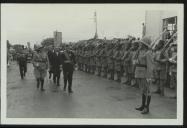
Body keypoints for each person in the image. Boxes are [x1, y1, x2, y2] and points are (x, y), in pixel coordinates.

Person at [135, 37, 154, 114]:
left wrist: (149, 76)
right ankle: (142, 106)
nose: (140, 44)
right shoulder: (140, 51)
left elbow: (150, 66)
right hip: (139, 73)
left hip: (145, 74)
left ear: (144, 44)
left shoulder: (148, 53)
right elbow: (136, 60)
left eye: (141, 43)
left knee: (147, 91)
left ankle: (147, 108)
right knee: (143, 91)